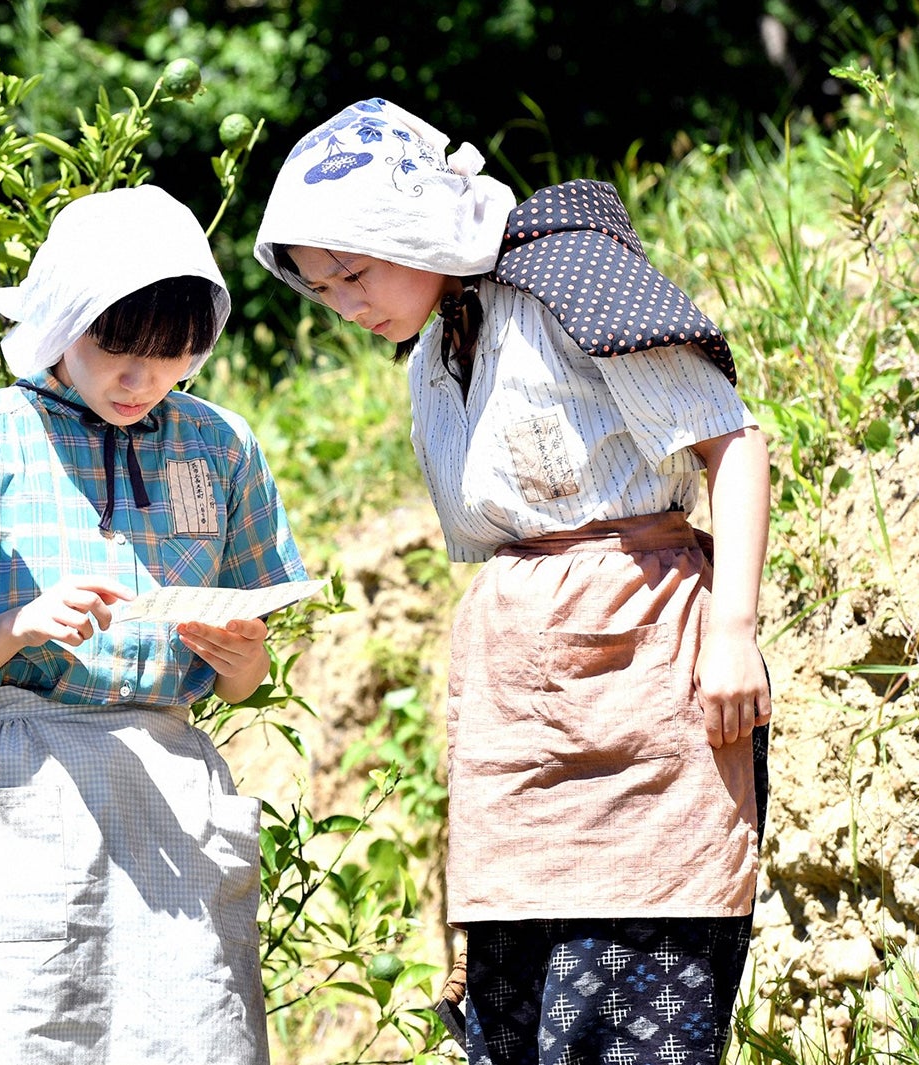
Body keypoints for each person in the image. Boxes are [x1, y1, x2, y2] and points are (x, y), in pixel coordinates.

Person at [253, 99, 772, 1065]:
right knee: (518, 1003)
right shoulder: (432, 356)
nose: (346, 303)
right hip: (516, 703)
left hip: (644, 662)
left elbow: (731, 443)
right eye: (322, 290)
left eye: (355, 271)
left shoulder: (568, 281)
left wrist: (733, 630)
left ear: (412, 226)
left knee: (642, 983)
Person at [0, 184, 307, 1065]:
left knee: (190, 1034)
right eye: (116, 350)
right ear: (62, 320)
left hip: (175, 795)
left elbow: (244, 675)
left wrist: (239, 656)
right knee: (21, 1032)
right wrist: (16, 627)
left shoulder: (221, 446)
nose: (143, 380)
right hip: (20, 784)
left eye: (173, 355)